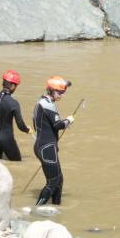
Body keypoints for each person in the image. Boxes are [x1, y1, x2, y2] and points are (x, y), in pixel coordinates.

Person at [32, 76, 75, 206]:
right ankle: (37, 209)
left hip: (45, 146)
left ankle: (57, 208)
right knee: (53, 181)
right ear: (50, 90)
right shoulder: (47, 105)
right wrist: (68, 121)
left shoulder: (42, 102)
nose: (61, 95)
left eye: (63, 92)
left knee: (59, 180)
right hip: (46, 147)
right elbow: (58, 125)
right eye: (59, 92)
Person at [0, 70, 32, 161]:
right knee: (18, 163)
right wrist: (28, 130)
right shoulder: (14, 103)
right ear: (13, 86)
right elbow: (20, 125)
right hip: (7, 139)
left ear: (3, 83)